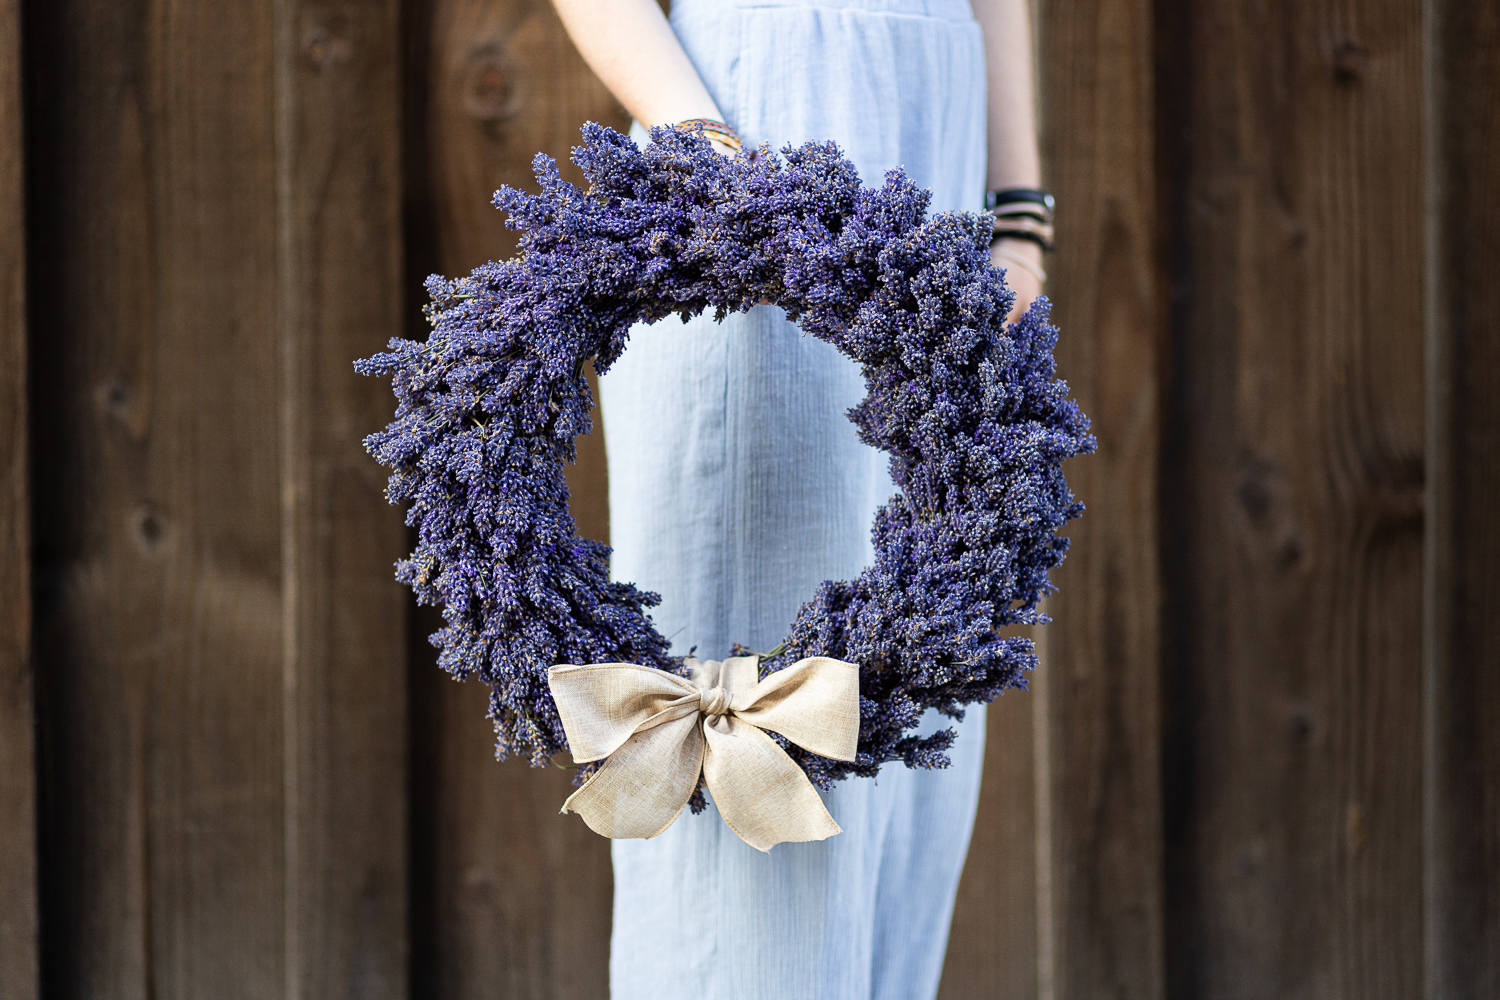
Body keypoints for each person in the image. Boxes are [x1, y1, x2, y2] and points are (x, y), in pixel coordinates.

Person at [547, 1, 1048, 997]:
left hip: (942, 147)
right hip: (751, 121)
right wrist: (708, 153)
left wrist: (1020, 212)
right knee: (758, 766)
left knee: (895, 782)